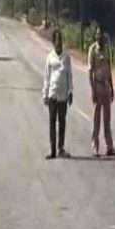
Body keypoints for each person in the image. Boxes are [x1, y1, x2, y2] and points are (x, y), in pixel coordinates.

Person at [42, 30, 74, 159]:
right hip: (52, 94)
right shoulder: (50, 57)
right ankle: (52, 150)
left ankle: (61, 148)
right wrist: (45, 93)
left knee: (62, 122)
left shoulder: (66, 57)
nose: (59, 42)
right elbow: (46, 77)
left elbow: (69, 75)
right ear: (53, 42)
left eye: (60, 40)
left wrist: (70, 92)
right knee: (52, 122)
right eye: (57, 40)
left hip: (63, 96)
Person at [88, 28, 115, 156]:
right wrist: (93, 90)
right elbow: (90, 71)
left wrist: (112, 88)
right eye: (98, 34)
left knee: (107, 119)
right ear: (95, 36)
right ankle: (95, 146)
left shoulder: (106, 49)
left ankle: (109, 146)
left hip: (106, 86)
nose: (100, 37)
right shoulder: (92, 50)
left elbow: (109, 69)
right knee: (96, 119)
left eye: (101, 34)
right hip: (97, 85)